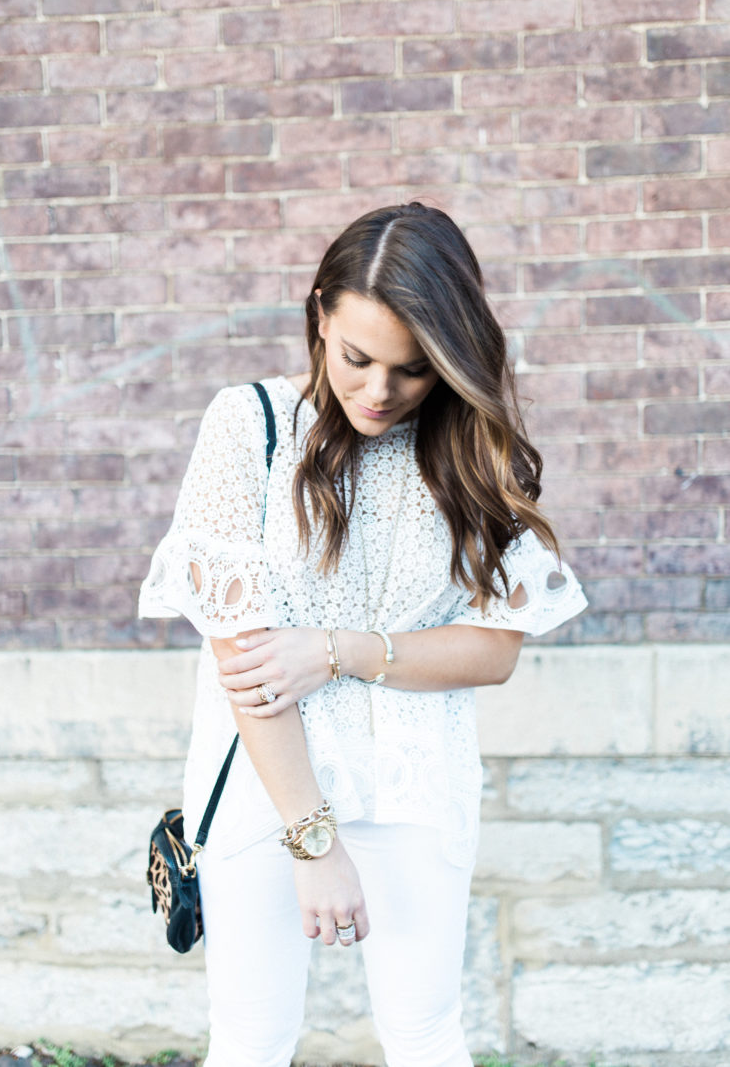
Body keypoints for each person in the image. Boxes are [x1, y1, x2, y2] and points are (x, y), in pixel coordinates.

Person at [139, 202, 587, 1067]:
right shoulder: (249, 427)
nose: (380, 391)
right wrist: (314, 840)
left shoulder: (469, 455)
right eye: (357, 358)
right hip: (268, 794)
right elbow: (248, 664)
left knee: (426, 1036)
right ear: (319, 314)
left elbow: (493, 650)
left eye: (414, 369)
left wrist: (335, 648)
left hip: (418, 783)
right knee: (252, 1043)